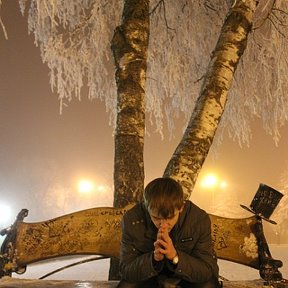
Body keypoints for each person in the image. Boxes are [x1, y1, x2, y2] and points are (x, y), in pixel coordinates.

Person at [117, 177, 220, 288]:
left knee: (208, 285)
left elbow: (205, 270)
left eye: (170, 217)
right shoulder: (132, 219)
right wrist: (153, 259)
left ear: (181, 207)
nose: (163, 225)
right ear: (147, 209)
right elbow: (127, 270)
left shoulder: (198, 219)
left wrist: (175, 257)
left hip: (186, 275)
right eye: (156, 218)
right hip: (149, 275)